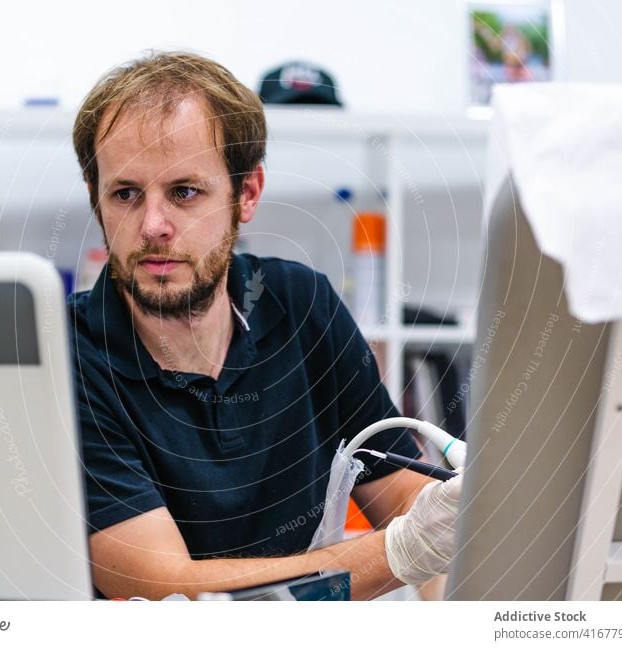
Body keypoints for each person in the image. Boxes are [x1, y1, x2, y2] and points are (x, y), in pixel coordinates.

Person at [69, 51, 462, 600]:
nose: (153, 226)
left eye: (184, 192)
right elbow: (166, 591)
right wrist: (400, 552)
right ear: (96, 198)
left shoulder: (301, 306)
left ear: (246, 194)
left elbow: (408, 503)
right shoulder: (71, 358)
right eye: (125, 193)